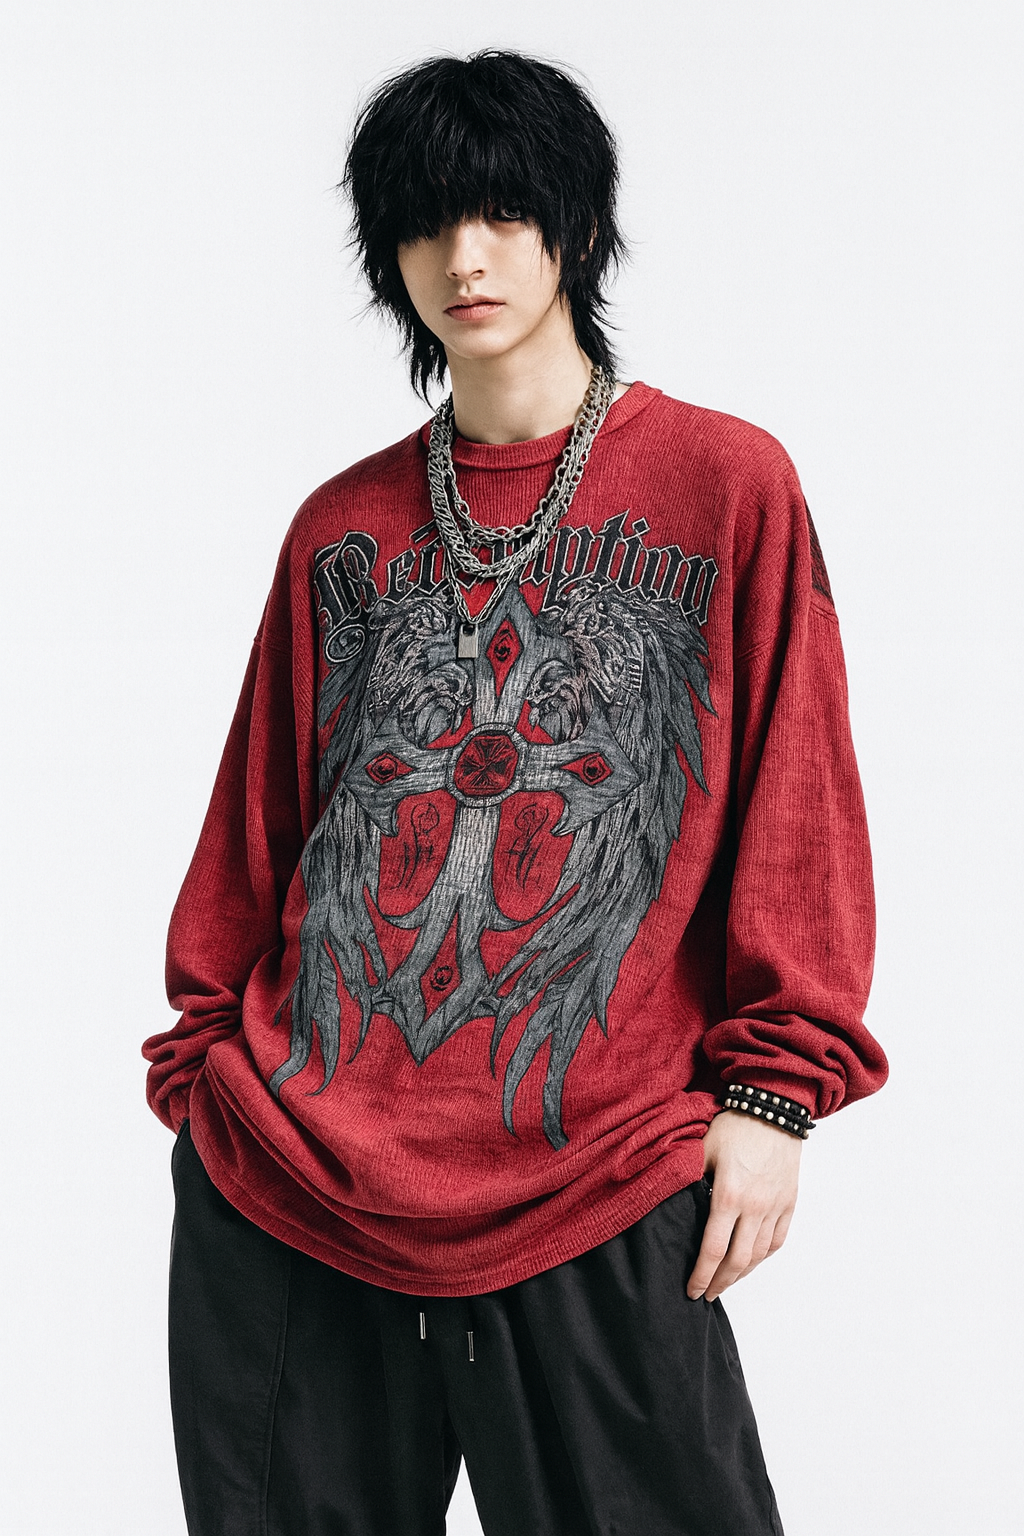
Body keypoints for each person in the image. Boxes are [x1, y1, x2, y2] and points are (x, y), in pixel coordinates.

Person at [143, 49, 887, 1536]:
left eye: (499, 213)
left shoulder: (726, 484)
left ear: (578, 231)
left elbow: (796, 800)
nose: (463, 258)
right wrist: (205, 1078)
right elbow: (262, 823)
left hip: (599, 1167)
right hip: (294, 1179)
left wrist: (775, 1095)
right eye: (425, 223)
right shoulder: (340, 527)